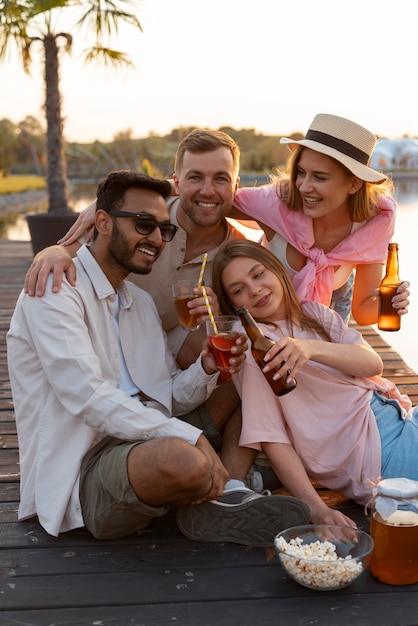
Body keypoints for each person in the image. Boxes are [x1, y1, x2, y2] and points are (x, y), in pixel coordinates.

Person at [7, 171, 310, 544]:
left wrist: (206, 368)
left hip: (148, 435)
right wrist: (189, 436)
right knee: (182, 459)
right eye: (144, 224)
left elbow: (167, 395)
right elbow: (85, 395)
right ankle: (208, 486)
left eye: (164, 230)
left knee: (246, 380)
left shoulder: (140, 303)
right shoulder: (56, 289)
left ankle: (222, 493)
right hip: (87, 465)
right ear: (101, 222)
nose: (155, 239)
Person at [211, 239, 418, 527]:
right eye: (238, 290)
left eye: (258, 274)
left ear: (277, 271)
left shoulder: (315, 313)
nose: (254, 289)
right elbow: (272, 437)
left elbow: (373, 363)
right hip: (378, 455)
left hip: (402, 417)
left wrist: (310, 349)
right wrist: (317, 509)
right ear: (233, 304)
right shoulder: (253, 349)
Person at [229, 113, 410, 325]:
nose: (303, 187)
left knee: (363, 358)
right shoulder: (275, 202)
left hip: (331, 309)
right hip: (265, 317)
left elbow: (362, 312)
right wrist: (180, 187)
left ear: (354, 184)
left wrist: (390, 303)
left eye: (319, 177)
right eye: (301, 173)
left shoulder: (376, 221)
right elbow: (212, 201)